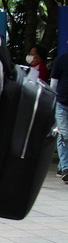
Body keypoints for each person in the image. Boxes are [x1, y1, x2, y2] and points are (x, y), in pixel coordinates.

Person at [51, 45, 68, 182]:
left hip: (62, 102)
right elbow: (54, 83)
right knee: (64, 135)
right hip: (62, 103)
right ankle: (66, 168)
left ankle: (62, 166)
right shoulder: (61, 60)